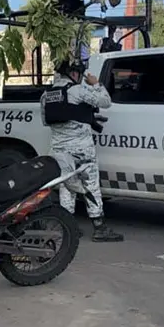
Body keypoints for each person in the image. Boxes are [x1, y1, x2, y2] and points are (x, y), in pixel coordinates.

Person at [40, 60, 124, 242]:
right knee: (90, 185)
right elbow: (105, 101)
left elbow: (47, 121)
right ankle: (99, 227)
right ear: (74, 74)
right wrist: (96, 84)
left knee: (66, 186)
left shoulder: (47, 94)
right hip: (81, 149)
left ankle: (68, 227)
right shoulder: (77, 90)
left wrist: (82, 117)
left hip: (59, 149)